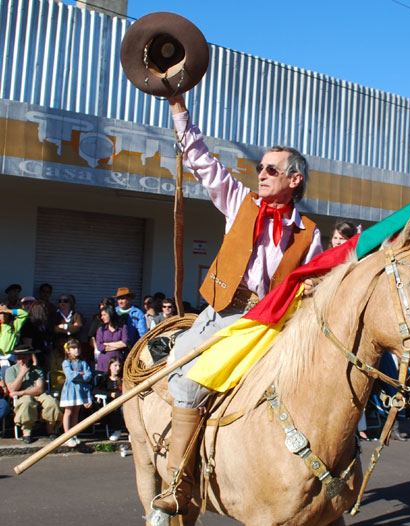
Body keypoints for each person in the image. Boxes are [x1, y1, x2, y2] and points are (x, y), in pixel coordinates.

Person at [150, 94, 322, 516]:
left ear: (294, 180)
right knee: (186, 383)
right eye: (260, 168)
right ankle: (176, 482)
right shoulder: (239, 202)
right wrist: (177, 107)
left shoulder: (310, 233)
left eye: (270, 169)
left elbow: (318, 282)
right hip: (225, 314)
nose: (260, 174)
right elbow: (201, 160)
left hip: (275, 322)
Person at [4, 344, 62, 443]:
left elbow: (39, 389)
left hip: (33, 394)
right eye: (19, 358)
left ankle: (51, 429)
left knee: (51, 402)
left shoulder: (37, 370)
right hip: (23, 397)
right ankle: (27, 431)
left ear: (29, 357)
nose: (21, 360)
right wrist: (22, 374)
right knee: (26, 403)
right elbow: (12, 388)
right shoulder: (10, 371)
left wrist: (21, 391)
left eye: (24, 357)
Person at [59, 339, 93, 447]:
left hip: (80, 390)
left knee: (76, 412)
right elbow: (70, 376)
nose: (76, 350)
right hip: (70, 391)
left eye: (78, 348)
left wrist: (80, 376)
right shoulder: (66, 363)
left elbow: (88, 376)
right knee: (68, 411)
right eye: (73, 348)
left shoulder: (83, 363)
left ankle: (74, 434)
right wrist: (80, 374)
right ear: (68, 350)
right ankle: (67, 436)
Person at [93, 357, 125, 442]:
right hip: (110, 403)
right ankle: (117, 430)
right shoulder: (104, 378)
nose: (117, 368)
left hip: (123, 401)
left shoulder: (123, 378)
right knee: (115, 409)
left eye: (119, 366)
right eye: (115, 365)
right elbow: (95, 390)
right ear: (110, 366)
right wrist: (110, 394)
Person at [52, 294, 83, 371]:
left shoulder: (76, 314)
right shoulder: (55, 315)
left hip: (73, 348)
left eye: (65, 301)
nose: (62, 303)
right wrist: (71, 328)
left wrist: (64, 326)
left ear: (70, 303)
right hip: (59, 348)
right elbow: (55, 329)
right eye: (60, 301)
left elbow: (78, 328)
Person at [19, 300, 53, 372]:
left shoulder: (43, 325)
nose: (46, 312)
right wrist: (34, 360)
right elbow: (28, 344)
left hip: (43, 355)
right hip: (33, 358)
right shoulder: (29, 324)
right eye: (44, 310)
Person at [95, 305, 130, 373]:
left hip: (118, 363)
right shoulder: (101, 329)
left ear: (110, 314)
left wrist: (107, 344)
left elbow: (125, 343)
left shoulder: (122, 327)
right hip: (104, 363)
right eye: (101, 315)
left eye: (104, 315)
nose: (102, 317)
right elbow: (100, 346)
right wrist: (119, 344)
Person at [0, 303, 29, 377]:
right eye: (0, 313)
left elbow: (24, 314)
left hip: (9, 358)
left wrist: (9, 310)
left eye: (5, 313)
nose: (3, 315)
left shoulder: (14, 325)